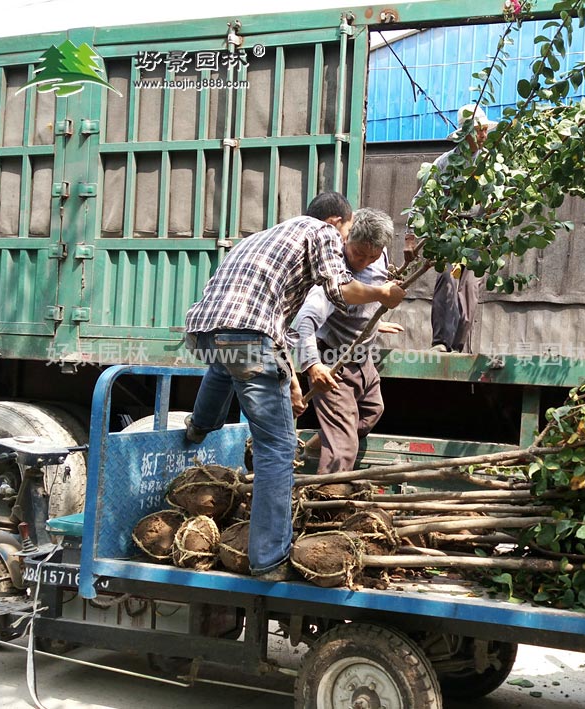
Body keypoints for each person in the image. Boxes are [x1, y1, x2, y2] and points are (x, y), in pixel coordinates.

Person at [182, 192, 405, 580]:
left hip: (206, 333)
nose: (345, 246)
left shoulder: (263, 238)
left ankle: (199, 425)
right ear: (337, 222)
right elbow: (342, 291)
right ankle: (268, 560)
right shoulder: (322, 232)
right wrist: (381, 293)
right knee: (278, 448)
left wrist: (291, 385)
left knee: (226, 363)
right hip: (248, 339)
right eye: (349, 233)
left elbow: (268, 326)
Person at [293, 207, 404, 474]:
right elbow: (304, 322)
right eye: (358, 254)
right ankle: (326, 502)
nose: (364, 261)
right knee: (344, 445)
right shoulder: (333, 273)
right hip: (333, 363)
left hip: (362, 359)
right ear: (347, 238)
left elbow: (370, 295)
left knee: (372, 411)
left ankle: (322, 441)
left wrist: (375, 323)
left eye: (372, 256)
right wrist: (312, 365)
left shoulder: (379, 255)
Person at [408, 103, 496, 353]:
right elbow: (421, 198)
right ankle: (441, 342)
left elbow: (497, 201)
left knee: (470, 289)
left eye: (484, 130)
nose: (483, 135)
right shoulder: (445, 163)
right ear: (464, 133)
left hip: (477, 232)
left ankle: (458, 346)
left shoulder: (489, 164)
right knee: (447, 279)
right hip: (450, 231)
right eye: (478, 131)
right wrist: (410, 235)